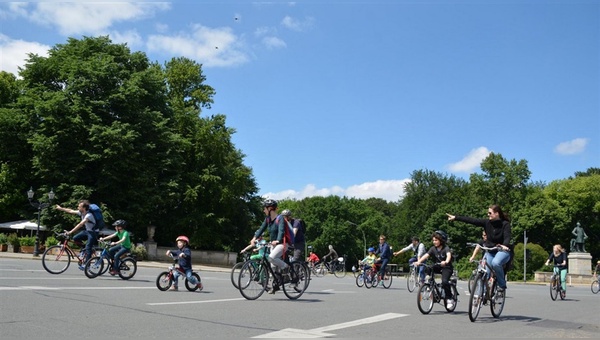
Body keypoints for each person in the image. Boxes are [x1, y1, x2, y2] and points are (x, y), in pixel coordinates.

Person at [447, 204, 512, 294]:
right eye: (488, 213)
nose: (488, 215)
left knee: (495, 263)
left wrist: (505, 245)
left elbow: (507, 237)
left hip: (502, 251)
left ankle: (502, 285)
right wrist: (456, 217)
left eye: (490, 213)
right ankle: (483, 294)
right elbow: (472, 220)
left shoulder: (505, 224)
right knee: (485, 272)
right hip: (491, 251)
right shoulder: (487, 223)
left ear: (497, 213)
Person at [250, 199, 289, 294]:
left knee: (271, 258)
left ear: (270, 208)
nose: (264, 210)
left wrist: (278, 240)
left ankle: (286, 267)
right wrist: (254, 238)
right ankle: (276, 285)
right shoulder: (268, 219)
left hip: (282, 244)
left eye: (265, 208)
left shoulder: (280, 218)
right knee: (273, 267)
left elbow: (281, 231)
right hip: (273, 244)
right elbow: (261, 229)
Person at [413, 230, 455, 309]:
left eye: (436, 240)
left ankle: (449, 298)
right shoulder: (433, 249)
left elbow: (448, 255)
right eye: (433, 240)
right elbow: (426, 255)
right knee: (429, 267)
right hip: (438, 266)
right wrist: (418, 262)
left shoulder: (446, 248)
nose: (434, 242)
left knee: (445, 281)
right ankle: (429, 283)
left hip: (447, 267)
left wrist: (446, 261)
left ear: (441, 240)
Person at [56, 200, 98, 269]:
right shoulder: (81, 213)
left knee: (88, 247)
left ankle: (87, 265)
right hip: (87, 231)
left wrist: (70, 232)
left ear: (84, 208)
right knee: (75, 238)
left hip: (93, 232)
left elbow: (80, 224)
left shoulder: (89, 215)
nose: (78, 207)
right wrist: (61, 208)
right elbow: (71, 211)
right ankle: (84, 250)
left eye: (79, 206)